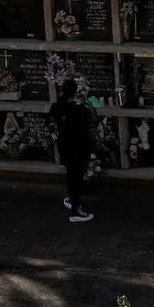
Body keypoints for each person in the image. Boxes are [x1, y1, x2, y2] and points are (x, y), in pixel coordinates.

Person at [50, 78, 96, 223]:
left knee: (71, 175)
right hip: (78, 148)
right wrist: (87, 102)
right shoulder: (79, 110)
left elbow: (53, 121)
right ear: (75, 93)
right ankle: (75, 211)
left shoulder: (56, 107)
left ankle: (71, 199)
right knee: (76, 178)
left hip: (64, 146)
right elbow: (94, 118)